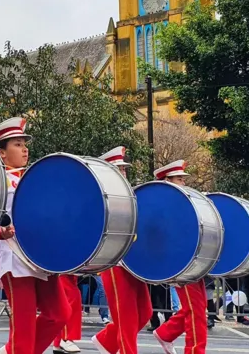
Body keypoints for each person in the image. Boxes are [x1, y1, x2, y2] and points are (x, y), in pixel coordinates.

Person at [0, 117, 69, 354]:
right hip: (15, 260)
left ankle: (12, 351)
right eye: (17, 144)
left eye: (25, 143)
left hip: (40, 257)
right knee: (23, 329)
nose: (24, 148)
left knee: (59, 315)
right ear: (2, 153)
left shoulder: (32, 179)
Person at [91, 146, 152, 354]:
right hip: (115, 263)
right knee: (126, 319)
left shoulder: (131, 196)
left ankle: (106, 341)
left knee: (145, 312)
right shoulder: (102, 198)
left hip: (134, 264)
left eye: (124, 169)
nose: (123, 173)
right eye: (119, 169)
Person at [152, 160, 208, 354]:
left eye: (184, 180)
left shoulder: (183, 204)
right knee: (195, 311)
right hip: (180, 264)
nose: (184, 184)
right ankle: (194, 350)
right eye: (179, 179)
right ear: (167, 181)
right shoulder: (163, 206)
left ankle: (166, 333)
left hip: (193, 261)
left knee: (198, 307)